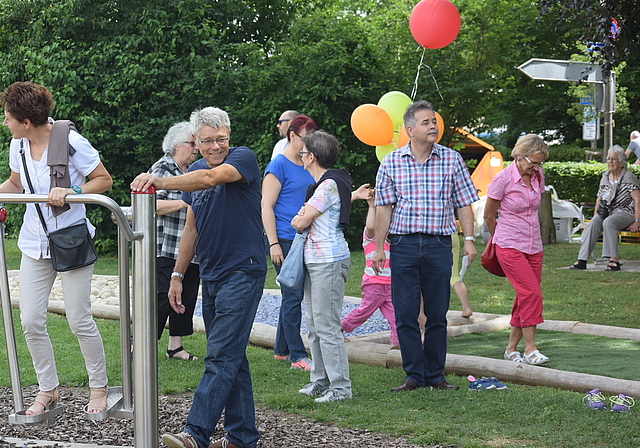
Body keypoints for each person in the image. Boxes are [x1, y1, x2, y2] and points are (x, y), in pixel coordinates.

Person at [131, 106, 266, 448]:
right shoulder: (195, 170)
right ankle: (242, 438)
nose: (215, 146)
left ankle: (196, 434)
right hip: (213, 273)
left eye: (221, 139)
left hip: (243, 269)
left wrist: (160, 181)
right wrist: (177, 274)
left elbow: (212, 179)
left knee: (220, 355)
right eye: (208, 141)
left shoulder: (242, 159)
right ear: (197, 141)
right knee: (231, 355)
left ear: (229, 137)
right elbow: (192, 226)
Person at [0, 81, 112, 414]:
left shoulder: (71, 142)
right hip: (34, 243)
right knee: (31, 320)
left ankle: (99, 388)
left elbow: (103, 180)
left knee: (79, 318)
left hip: (70, 240)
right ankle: (48, 390)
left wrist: (73, 189)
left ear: (27, 121)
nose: (5, 123)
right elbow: (16, 183)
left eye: (8, 118)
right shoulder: (17, 145)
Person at [372, 100, 478, 392]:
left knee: (436, 312)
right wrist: (379, 247)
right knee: (405, 313)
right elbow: (383, 208)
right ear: (409, 130)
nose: (433, 126)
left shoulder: (452, 159)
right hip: (403, 244)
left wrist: (468, 240)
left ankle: (435, 375)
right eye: (426, 123)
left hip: (438, 245)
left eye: (434, 121)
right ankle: (413, 375)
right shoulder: (391, 162)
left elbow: (464, 203)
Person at [291, 131, 353, 403]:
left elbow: (300, 222)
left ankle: (340, 388)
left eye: (303, 153)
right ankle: (320, 381)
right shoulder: (324, 185)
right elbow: (302, 217)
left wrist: (301, 216)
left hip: (328, 260)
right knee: (315, 324)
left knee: (327, 325)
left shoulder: (327, 186)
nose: (301, 157)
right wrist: (302, 215)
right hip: (316, 260)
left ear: (312, 157)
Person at [483, 134, 550, 365]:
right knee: (531, 294)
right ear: (520, 156)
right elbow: (489, 216)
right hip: (509, 244)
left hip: (534, 245)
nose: (536, 167)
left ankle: (511, 349)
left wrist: (536, 169)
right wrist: (499, 239)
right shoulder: (503, 179)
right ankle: (531, 349)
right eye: (533, 162)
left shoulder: (538, 176)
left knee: (525, 296)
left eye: (540, 163)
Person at [262, 115, 318, 370]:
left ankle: (282, 351)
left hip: (302, 237)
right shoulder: (278, 165)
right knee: (293, 295)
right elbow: (266, 206)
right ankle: (297, 355)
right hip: (284, 238)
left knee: (291, 295)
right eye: (307, 137)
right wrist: (273, 243)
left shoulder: (307, 163)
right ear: (292, 136)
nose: (311, 143)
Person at [148, 122, 200, 361]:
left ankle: (175, 347)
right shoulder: (163, 168)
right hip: (167, 247)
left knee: (186, 297)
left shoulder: (192, 170)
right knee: (162, 298)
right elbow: (152, 205)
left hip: (191, 249)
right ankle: (140, 343)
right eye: (192, 143)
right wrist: (184, 202)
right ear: (176, 145)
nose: (196, 148)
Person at [340, 192, 399, 346]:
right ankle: (339, 328)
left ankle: (398, 346)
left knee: (397, 318)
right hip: (374, 284)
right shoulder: (371, 239)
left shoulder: (393, 243)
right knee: (363, 313)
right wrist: (372, 206)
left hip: (390, 286)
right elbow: (372, 226)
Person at [569, 145, 640, 271]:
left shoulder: (628, 177)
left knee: (609, 222)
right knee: (593, 223)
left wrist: (637, 221)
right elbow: (600, 198)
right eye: (608, 158)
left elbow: (637, 199)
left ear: (622, 163)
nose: (610, 161)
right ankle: (582, 260)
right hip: (608, 212)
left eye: (614, 159)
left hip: (626, 213)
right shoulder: (605, 177)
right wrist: (596, 215)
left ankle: (613, 260)